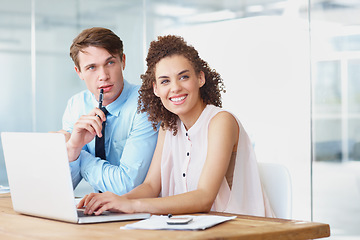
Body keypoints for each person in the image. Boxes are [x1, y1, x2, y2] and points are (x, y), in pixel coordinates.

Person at [77, 35, 274, 217]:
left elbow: (204, 197)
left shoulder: (221, 122)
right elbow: (151, 186)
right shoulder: (169, 127)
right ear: (156, 89)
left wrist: (133, 206)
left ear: (200, 78)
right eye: (165, 81)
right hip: (191, 229)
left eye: (184, 77)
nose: (175, 88)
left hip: (240, 230)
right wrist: (114, 200)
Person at [61, 27, 158, 195]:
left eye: (110, 63)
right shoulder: (76, 105)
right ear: (79, 72)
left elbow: (127, 186)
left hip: (144, 212)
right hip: (100, 212)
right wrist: (73, 149)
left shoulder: (146, 103)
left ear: (123, 61)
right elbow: (63, 188)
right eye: (91, 67)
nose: (103, 76)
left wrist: (74, 150)